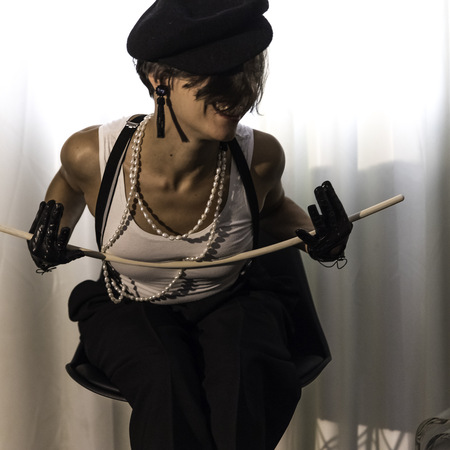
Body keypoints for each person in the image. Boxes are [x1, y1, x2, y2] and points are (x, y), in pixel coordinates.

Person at [27, 1, 353, 449]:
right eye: (216, 74)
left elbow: (274, 209)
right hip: (129, 302)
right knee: (163, 378)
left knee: (245, 378)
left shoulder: (260, 158)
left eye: (246, 73)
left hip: (232, 297)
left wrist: (317, 238)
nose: (240, 94)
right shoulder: (91, 156)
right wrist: (50, 235)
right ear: (158, 78)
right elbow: (65, 190)